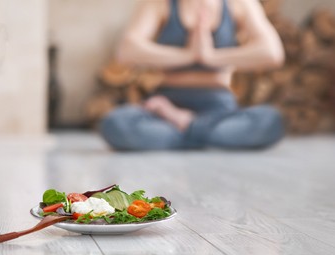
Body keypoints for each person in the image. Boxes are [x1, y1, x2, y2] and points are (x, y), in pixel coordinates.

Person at [100, 0, 285, 150]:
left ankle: (186, 125)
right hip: (167, 104)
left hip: (218, 109)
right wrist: (189, 55)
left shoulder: (239, 4)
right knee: (116, 124)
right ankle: (204, 134)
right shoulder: (159, 4)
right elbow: (127, 51)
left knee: (271, 121)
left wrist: (211, 57)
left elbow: (272, 53)